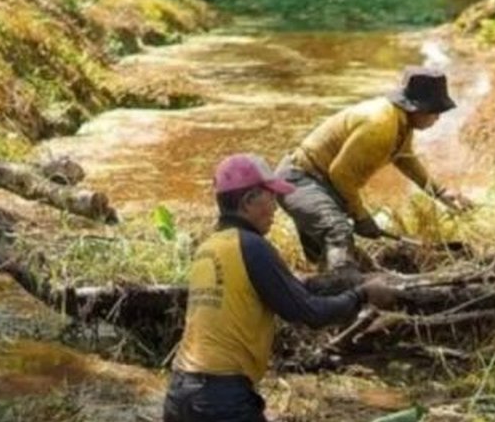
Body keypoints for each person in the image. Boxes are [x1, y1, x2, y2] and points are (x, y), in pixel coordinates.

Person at [165, 153, 396, 422]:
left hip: (180, 394)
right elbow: (310, 313)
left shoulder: (209, 248)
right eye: (270, 197)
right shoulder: (252, 246)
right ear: (248, 201)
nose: (276, 207)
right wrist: (363, 294)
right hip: (221, 401)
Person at [276, 67, 474, 277]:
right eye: (435, 112)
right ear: (418, 109)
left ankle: (323, 284)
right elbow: (341, 175)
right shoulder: (380, 126)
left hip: (319, 183)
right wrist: (362, 217)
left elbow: (405, 159)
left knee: (335, 259)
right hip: (300, 181)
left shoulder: (401, 121)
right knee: (337, 232)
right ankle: (341, 295)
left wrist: (440, 193)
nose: (438, 119)